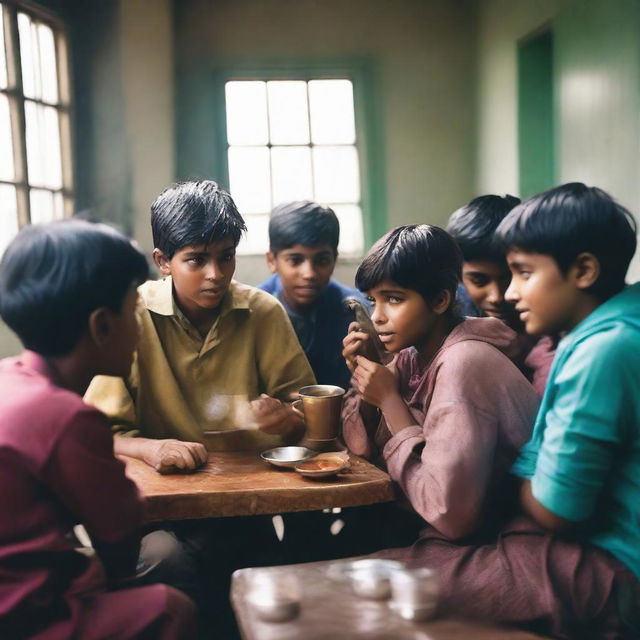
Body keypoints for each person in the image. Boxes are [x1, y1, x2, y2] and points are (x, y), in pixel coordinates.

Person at [378, 184, 640, 640]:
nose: (508, 292)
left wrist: (512, 471)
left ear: (583, 270)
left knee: (380, 583)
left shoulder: (602, 351)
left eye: (521, 272)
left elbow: (557, 510)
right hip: (582, 544)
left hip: (611, 562)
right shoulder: (615, 326)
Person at [84, 180, 316, 635]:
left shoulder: (263, 312)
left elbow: (306, 415)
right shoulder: (131, 317)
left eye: (226, 256)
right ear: (163, 262)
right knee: (167, 564)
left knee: (270, 578)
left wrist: (289, 419)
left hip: (241, 507)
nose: (215, 273)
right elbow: (96, 435)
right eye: (196, 259)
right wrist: (151, 449)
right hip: (156, 513)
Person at [0, 220, 195, 639]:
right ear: (102, 326)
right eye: (135, 312)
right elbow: (120, 534)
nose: (140, 328)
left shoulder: (7, 379)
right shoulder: (68, 417)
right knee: (168, 607)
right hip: (21, 616)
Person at [341, 224, 539, 544]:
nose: (377, 316)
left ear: (439, 300)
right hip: (462, 530)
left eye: (394, 299)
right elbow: (361, 450)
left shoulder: (465, 362)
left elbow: (449, 514)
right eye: (371, 301)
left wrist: (391, 401)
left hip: (512, 536)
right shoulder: (411, 356)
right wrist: (372, 377)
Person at [446, 194, 556, 395]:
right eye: (479, 281)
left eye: (510, 278)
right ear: (458, 277)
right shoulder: (450, 313)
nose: (497, 297)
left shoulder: (552, 327)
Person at [259, 201, 367, 391]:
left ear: (334, 259)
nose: (309, 273)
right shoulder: (251, 313)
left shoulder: (358, 311)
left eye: (321, 260)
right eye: (295, 260)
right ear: (272, 260)